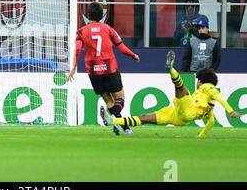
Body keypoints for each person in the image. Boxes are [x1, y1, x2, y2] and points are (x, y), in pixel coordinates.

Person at [101, 50, 242, 138]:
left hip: (188, 110)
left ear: (202, 80)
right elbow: (211, 121)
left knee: (182, 89)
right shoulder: (209, 103)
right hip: (179, 117)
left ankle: (171, 69)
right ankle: (112, 121)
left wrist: (230, 111)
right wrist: (202, 135)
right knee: (145, 118)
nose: (197, 82)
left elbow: (218, 96)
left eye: (198, 80)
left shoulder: (207, 86)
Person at [67, 3, 141, 135]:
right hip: (109, 69)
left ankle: (126, 129)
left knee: (108, 101)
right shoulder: (108, 29)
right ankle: (114, 119)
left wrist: (74, 67)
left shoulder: (81, 31)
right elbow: (121, 47)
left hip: (94, 72)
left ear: (88, 15)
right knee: (120, 99)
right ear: (101, 16)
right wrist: (133, 55)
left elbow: (78, 49)